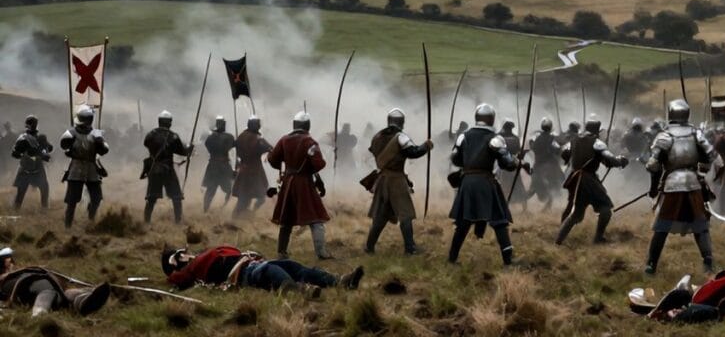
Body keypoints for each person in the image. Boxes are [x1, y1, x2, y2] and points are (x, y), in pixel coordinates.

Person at [644, 99, 722, 275]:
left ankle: (651, 265)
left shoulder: (664, 136)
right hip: (694, 184)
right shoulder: (696, 133)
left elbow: (653, 166)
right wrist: (701, 170)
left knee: (661, 227)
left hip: (672, 184)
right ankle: (708, 262)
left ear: (670, 114)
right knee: (700, 226)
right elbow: (710, 156)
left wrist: (654, 188)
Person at [447, 103, 531, 266]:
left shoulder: (464, 136)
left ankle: (452, 258)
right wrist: (518, 161)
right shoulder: (495, 139)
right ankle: (508, 260)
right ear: (491, 119)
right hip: (485, 181)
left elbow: (455, 159)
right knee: (499, 220)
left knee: (464, 222)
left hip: (467, 181)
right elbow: (507, 163)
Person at [364, 108, 433, 255]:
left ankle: (369, 246)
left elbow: (372, 152)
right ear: (401, 122)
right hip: (396, 180)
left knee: (381, 216)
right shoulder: (400, 137)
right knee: (405, 214)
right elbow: (413, 152)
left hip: (382, 180)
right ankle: (410, 248)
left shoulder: (377, 137)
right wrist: (426, 146)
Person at [556, 114, 629, 245]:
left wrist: (571, 159)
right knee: (605, 209)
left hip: (575, 176)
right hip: (588, 179)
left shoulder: (574, 140)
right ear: (597, 130)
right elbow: (610, 159)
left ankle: (558, 240)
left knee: (576, 214)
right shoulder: (597, 142)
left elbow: (564, 153)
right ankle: (598, 237)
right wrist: (620, 161)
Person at [162, 245, 362, 292]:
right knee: (270, 271)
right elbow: (175, 279)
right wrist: (172, 264)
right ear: (178, 261)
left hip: (249, 264)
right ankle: (301, 290)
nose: (186, 253)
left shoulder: (200, 258)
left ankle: (340, 281)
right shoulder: (190, 271)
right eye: (181, 255)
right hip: (243, 275)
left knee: (293, 265)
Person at [269, 112, 332, 260]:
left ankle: (281, 252)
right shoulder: (309, 142)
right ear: (307, 125)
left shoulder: (284, 140)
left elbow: (272, 159)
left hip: (288, 182)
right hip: (304, 183)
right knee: (316, 218)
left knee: (286, 220)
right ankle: (321, 253)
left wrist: (285, 163)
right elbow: (319, 164)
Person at [0, 246, 110, 317]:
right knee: (47, 291)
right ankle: (39, 315)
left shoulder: (18, 271)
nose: (11, 263)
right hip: (30, 286)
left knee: (63, 293)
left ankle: (84, 299)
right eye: (8, 260)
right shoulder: (5, 278)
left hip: (46, 281)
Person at [60, 106, 108, 229]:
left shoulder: (95, 134)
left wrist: (99, 141)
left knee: (96, 198)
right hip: (76, 166)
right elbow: (64, 147)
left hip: (91, 166)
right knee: (72, 201)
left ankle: (90, 219)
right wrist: (70, 148)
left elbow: (103, 151)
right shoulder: (71, 133)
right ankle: (68, 226)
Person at [142, 111, 192, 224]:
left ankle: (146, 222)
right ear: (169, 122)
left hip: (154, 168)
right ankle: (178, 222)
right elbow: (182, 152)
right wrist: (189, 148)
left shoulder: (151, 134)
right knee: (177, 197)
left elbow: (146, 144)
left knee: (151, 198)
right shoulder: (173, 136)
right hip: (168, 169)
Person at [232, 115, 273, 218]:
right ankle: (241, 217)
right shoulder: (256, 138)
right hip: (254, 171)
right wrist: (261, 139)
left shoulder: (242, 136)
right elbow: (269, 148)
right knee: (257, 196)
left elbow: (236, 145)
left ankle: (240, 216)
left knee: (244, 197)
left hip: (244, 169)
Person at [12, 115, 52, 211]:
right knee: (21, 195)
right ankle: (16, 211)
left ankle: (44, 210)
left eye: (34, 123)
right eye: (33, 123)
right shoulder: (23, 138)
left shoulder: (40, 138)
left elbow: (49, 149)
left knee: (44, 190)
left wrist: (43, 152)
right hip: (27, 169)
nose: (34, 125)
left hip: (35, 169)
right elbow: (15, 153)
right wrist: (26, 154)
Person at [527, 118, 563, 212]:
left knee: (532, 187)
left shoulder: (536, 138)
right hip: (550, 164)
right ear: (550, 127)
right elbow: (558, 150)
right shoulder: (552, 139)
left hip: (538, 165)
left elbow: (532, 147)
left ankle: (523, 202)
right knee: (559, 179)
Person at [201, 116, 236, 213]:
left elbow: (207, 145)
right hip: (223, 166)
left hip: (213, 165)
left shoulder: (211, 137)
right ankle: (218, 208)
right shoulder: (229, 137)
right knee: (227, 189)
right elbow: (233, 145)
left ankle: (207, 210)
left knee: (211, 190)